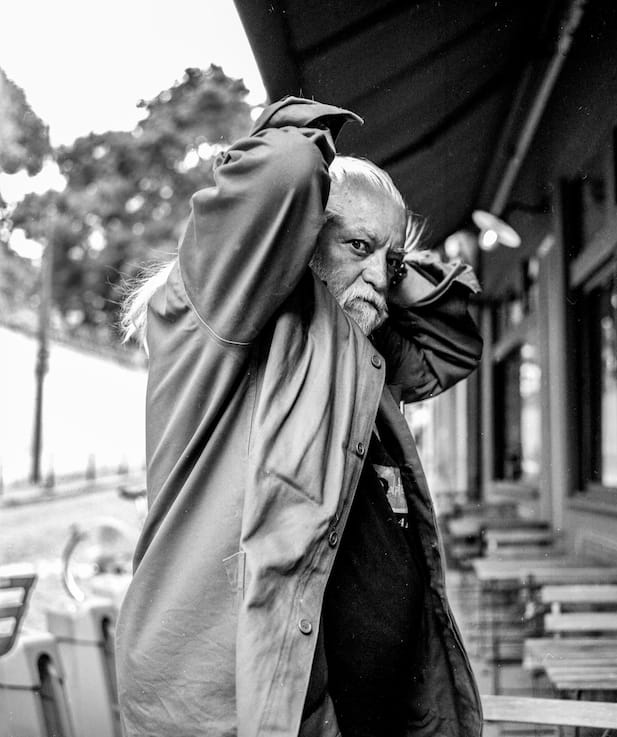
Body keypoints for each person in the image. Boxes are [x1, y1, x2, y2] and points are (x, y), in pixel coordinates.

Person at [115, 96, 484, 737]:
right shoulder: (226, 319)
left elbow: (451, 346)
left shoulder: (360, 358)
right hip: (234, 718)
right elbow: (286, 167)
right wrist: (319, 228)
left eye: (391, 264)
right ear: (296, 237)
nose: (380, 277)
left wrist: (379, 260)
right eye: (356, 245)